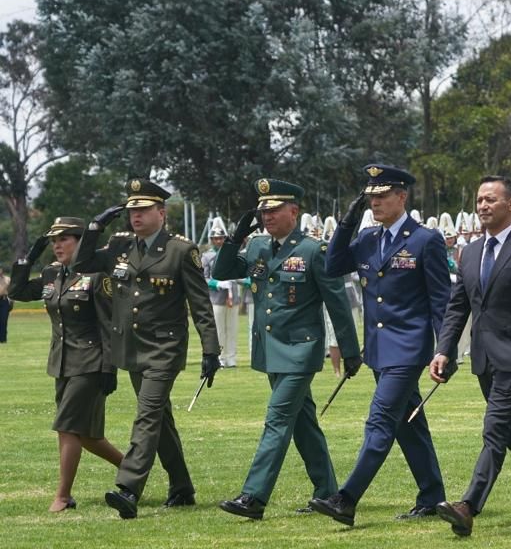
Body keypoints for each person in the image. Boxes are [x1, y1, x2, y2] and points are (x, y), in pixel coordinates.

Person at [212, 180, 362, 520]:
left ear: (293, 212)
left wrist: (349, 351)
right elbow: (222, 272)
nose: (267, 216)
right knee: (302, 424)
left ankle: (254, 497)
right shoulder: (257, 247)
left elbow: (337, 304)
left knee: (277, 420)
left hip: (300, 350)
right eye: (263, 211)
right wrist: (236, 237)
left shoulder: (313, 250)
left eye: (274, 210)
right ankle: (327, 492)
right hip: (270, 350)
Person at [310, 164, 450, 526]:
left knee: (380, 421)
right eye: (370, 197)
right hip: (378, 349)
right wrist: (349, 220)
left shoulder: (424, 240)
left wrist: (444, 349)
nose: (374, 202)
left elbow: (441, 301)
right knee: (407, 424)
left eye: (382, 196)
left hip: (408, 348)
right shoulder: (369, 239)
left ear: (401, 197)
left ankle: (346, 498)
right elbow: (333, 264)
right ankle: (432, 495)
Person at [74, 179, 220, 518]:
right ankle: (181, 486)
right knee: (160, 419)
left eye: (142, 210)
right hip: (131, 347)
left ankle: (128, 487)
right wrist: (95, 228)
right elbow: (82, 265)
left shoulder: (181, 250)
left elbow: (201, 306)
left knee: (147, 415)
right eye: (131, 211)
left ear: (161, 212)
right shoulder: (120, 246)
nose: (135, 216)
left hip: (164, 348)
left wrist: (211, 351)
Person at [429, 176, 511, 537]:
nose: (483, 206)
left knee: (495, 428)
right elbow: (458, 309)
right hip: (484, 358)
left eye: (491, 200)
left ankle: (468, 505)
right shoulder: (469, 252)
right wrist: (443, 350)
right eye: (479, 200)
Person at [9, 217, 124, 511]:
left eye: (64, 239)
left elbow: (108, 324)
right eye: (53, 241)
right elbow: (17, 292)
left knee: (66, 427)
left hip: (91, 361)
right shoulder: (51, 273)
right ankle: (134, 470)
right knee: (87, 436)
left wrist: (110, 367)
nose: (57, 246)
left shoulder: (98, 275)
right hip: (61, 362)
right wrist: (26, 259)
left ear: (81, 241)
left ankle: (62, 495)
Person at [201, 218, 239, 367]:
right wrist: (217, 283)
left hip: (232, 296)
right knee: (219, 330)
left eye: (221, 238)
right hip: (216, 297)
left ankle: (231, 357)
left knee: (232, 329)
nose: (218, 241)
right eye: (216, 238)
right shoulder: (206, 256)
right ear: (211, 240)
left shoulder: (231, 254)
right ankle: (221, 357)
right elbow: (203, 278)